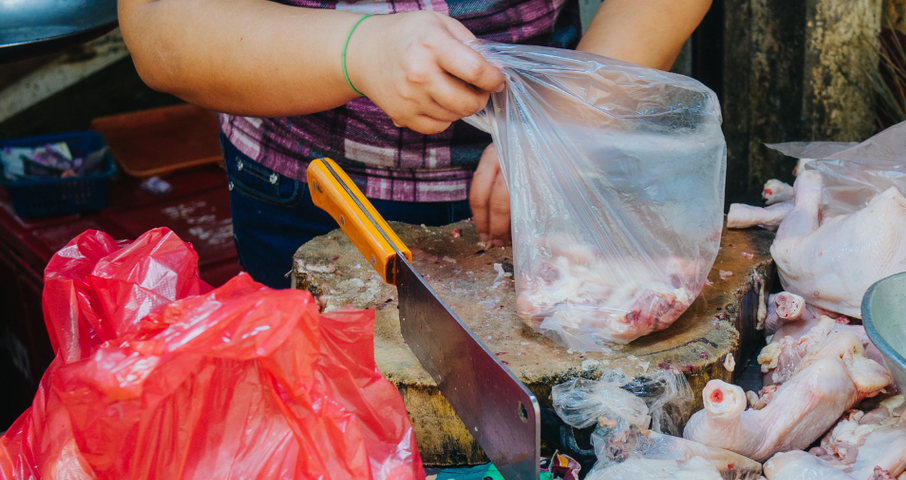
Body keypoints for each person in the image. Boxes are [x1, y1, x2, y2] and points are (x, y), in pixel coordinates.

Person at [118, 0, 713, 288]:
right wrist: (355, 52)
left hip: (554, 168)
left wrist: (571, 115)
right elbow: (158, 24)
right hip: (310, 194)